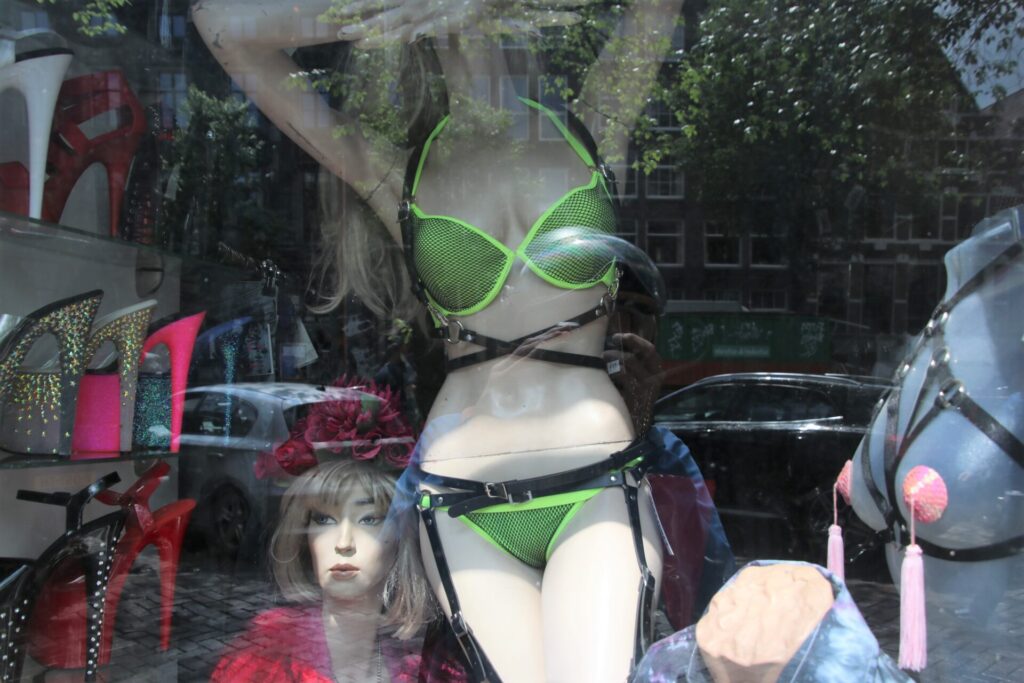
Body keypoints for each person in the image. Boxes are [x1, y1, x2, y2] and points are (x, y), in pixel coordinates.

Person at [194, 1, 688, 679]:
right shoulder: (398, 175)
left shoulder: (590, 122)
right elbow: (221, 27)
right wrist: (381, 11)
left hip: (593, 477)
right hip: (462, 497)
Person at [210, 458, 447, 683]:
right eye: (324, 520)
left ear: (399, 540)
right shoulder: (262, 661)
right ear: (304, 538)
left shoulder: (422, 664)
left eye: (369, 519)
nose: (343, 543)